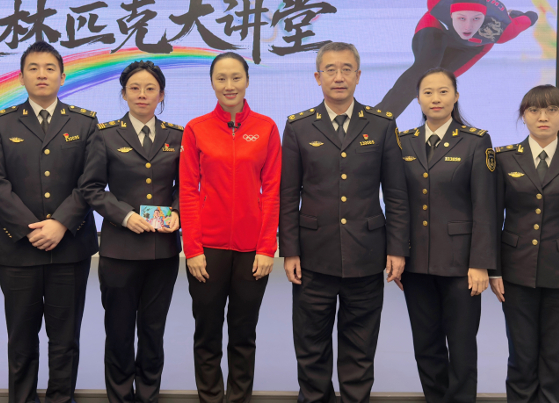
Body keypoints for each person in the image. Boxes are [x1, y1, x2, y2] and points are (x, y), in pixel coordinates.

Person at [279, 41, 409, 403]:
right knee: (311, 346)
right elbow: (288, 195)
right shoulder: (299, 126)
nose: (339, 77)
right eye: (331, 70)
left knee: (360, 347)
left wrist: (397, 248)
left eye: (346, 69)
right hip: (312, 256)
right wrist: (289, 251)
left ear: (358, 75)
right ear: (318, 77)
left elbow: (396, 194)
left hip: (366, 255)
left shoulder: (382, 124)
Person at [0, 41, 99, 403]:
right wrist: (32, 229)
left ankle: (62, 398)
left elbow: (91, 181)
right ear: (21, 77)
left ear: (63, 76)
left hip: (70, 247)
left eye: (49, 68)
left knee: (65, 339)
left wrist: (60, 223)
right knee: (21, 338)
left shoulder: (85, 122)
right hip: (19, 249)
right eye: (33, 68)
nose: (42, 74)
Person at [180, 52, 282, 403]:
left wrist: (267, 248)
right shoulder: (196, 128)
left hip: (252, 251)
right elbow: (188, 192)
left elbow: (272, 191)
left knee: (243, 335)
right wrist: (192, 249)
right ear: (212, 83)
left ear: (247, 81)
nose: (229, 85)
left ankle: (239, 398)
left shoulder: (266, 128)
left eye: (236, 77)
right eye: (221, 78)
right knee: (207, 335)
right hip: (207, 251)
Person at [489, 85, 559, 403]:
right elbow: (492, 219)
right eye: (534, 110)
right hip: (515, 273)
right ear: (523, 116)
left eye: (552, 110)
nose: (543, 117)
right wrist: (494, 270)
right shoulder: (504, 159)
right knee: (521, 359)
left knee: (557, 362)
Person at [396, 68, 497, 403]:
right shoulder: (404, 141)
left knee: (462, 344)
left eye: (443, 91)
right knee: (426, 345)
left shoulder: (475, 141)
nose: (435, 99)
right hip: (416, 264)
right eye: (428, 92)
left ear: (456, 96)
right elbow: (398, 203)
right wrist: (397, 254)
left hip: (461, 264)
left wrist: (480, 263)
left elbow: (485, 206)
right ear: (418, 98)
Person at [85, 60, 182, 403]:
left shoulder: (178, 136)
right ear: (124, 94)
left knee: (153, 333)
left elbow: (187, 186)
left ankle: (149, 396)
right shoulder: (105, 135)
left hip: (162, 251)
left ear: (161, 95)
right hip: (119, 250)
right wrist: (124, 216)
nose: (142, 94)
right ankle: (120, 396)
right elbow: (92, 188)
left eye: (150, 88)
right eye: (135, 88)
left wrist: (177, 212)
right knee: (120, 333)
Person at [377, 0, 538, 117]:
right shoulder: (438, 2)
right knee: (424, 69)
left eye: (476, 19)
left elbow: (530, 18)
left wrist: (525, 16)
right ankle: (379, 120)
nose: (468, 27)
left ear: (484, 18)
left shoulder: (503, 30)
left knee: (431, 82)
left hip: (473, 47)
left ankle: (376, 117)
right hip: (437, 28)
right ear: (451, 13)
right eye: (462, 18)